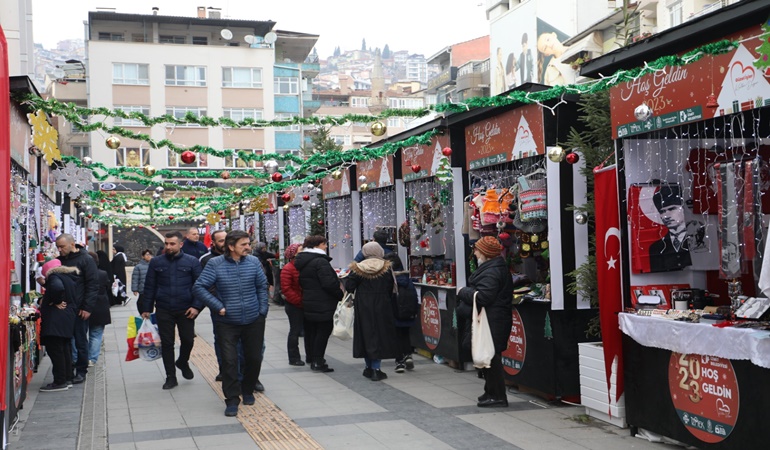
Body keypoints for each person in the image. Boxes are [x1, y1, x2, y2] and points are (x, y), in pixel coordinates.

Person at [193, 230, 269, 418]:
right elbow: (199, 287)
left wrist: (262, 312)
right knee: (229, 361)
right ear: (231, 246)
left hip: (253, 320)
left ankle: (248, 390)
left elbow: (262, 286)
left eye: (248, 244)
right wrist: (218, 306)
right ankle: (232, 399)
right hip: (226, 322)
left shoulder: (253, 262)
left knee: (254, 358)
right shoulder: (214, 264)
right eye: (243, 244)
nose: (248, 247)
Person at [141, 231, 203, 390]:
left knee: (188, 339)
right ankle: (170, 376)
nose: (168, 246)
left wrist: (196, 307)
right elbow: (149, 286)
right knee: (167, 343)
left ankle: (183, 361)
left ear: (180, 244)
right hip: (164, 308)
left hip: (186, 308)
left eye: (172, 244)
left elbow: (200, 286)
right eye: (166, 244)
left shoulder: (192, 262)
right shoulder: (156, 262)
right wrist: (146, 308)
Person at [457, 236, 513, 407]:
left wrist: (463, 291)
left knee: (490, 357)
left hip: (492, 321)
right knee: (487, 355)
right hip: (490, 319)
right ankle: (490, 391)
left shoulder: (492, 271)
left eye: (477, 249)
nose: (474, 252)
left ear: (485, 253)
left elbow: (483, 297)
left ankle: (497, 395)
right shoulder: (493, 268)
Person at [343, 242, 398, 381]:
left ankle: (368, 367)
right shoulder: (386, 268)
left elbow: (349, 286)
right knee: (379, 333)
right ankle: (376, 368)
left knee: (365, 332)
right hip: (382, 304)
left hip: (363, 304)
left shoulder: (358, 268)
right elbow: (390, 287)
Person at [294, 235, 343, 373]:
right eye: (323, 244)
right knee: (323, 332)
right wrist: (339, 294)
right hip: (323, 302)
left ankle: (311, 357)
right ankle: (318, 360)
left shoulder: (304, 261)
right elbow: (328, 283)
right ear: (317, 245)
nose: (326, 246)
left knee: (311, 331)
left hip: (309, 300)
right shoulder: (320, 262)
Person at [56, 233, 98, 384]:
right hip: (63, 308)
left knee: (80, 340)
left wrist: (87, 307)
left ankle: (81, 370)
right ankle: (68, 370)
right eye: (58, 247)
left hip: (79, 308)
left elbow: (93, 285)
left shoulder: (86, 260)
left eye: (62, 246)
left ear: (72, 244)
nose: (60, 250)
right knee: (65, 340)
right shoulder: (59, 261)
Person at [200, 230, 240, 381]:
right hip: (220, 308)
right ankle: (224, 370)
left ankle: (248, 375)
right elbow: (204, 286)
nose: (225, 243)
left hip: (242, 308)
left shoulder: (242, 258)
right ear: (214, 243)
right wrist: (218, 305)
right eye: (221, 241)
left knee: (245, 342)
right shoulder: (207, 260)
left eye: (226, 240)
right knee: (222, 340)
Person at [38, 259, 78, 392]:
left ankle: (60, 381)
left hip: (56, 320)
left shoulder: (55, 277)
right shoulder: (68, 277)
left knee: (56, 350)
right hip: (67, 318)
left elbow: (56, 287)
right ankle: (67, 378)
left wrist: (56, 301)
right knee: (65, 349)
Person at [383, 252, 416, 373]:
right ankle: (408, 355)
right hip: (407, 313)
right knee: (405, 334)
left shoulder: (389, 280)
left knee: (396, 336)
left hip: (394, 311)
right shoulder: (407, 278)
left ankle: (400, 361)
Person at [649, 185, 692, 272]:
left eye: (672, 209)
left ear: (683, 209)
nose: (666, 216)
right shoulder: (656, 248)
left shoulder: (696, 239)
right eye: (662, 211)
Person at [280, 243, 307, 366]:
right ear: (294, 253)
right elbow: (286, 288)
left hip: (305, 302)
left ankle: (310, 355)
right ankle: (294, 357)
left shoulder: (304, 266)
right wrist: (299, 301)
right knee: (295, 330)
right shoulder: (288, 268)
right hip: (294, 304)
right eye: (301, 250)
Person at [87, 252, 112, 366]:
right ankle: (92, 359)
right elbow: (107, 287)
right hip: (100, 307)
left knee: (82, 334)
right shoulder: (103, 274)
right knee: (96, 334)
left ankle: (81, 357)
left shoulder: (82, 274)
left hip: (85, 307)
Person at [131, 249, 152, 314]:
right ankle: (142, 314)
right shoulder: (138, 267)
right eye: (147, 254)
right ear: (143, 256)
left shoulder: (154, 265)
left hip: (152, 288)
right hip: (143, 288)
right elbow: (135, 278)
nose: (148, 256)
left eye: (150, 254)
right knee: (141, 302)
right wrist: (135, 289)